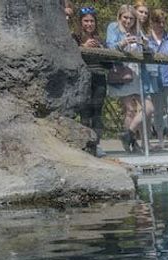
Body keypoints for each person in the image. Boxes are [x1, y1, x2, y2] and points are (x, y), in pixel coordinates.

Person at [105, 4, 152, 153]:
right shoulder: (113, 27)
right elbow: (109, 46)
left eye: (131, 18)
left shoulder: (138, 30)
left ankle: (128, 134)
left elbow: (149, 49)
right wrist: (123, 43)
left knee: (149, 108)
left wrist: (144, 45)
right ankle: (132, 143)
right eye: (125, 17)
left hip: (137, 74)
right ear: (119, 17)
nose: (128, 21)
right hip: (122, 73)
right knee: (130, 110)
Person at [73, 7, 107, 156]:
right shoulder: (74, 37)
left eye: (91, 21)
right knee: (84, 111)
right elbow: (69, 53)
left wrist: (101, 49)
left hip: (99, 76)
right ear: (81, 22)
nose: (89, 24)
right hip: (82, 77)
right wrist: (83, 48)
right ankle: (85, 143)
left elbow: (108, 62)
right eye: (86, 21)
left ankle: (96, 144)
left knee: (97, 111)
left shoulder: (100, 39)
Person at [145, 8, 168, 149]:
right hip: (153, 80)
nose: (162, 25)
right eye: (159, 22)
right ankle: (160, 140)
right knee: (157, 111)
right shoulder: (146, 38)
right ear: (153, 22)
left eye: (164, 22)